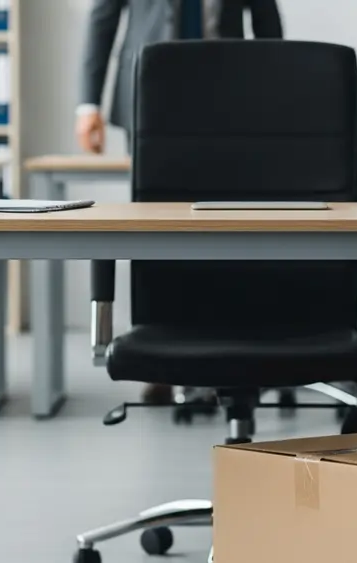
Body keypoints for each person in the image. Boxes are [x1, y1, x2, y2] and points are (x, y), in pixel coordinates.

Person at [76, 0, 283, 404]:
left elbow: (266, 17)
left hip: (229, 90)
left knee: (229, 226)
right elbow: (104, 14)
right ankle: (163, 354)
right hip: (149, 88)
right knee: (157, 227)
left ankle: (229, 352)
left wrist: (274, 88)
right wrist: (88, 105)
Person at [76, 0, 284, 154]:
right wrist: (89, 105)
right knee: (153, 200)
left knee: (224, 194)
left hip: (225, 92)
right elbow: (102, 20)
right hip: (149, 92)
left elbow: (267, 22)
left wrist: (270, 96)